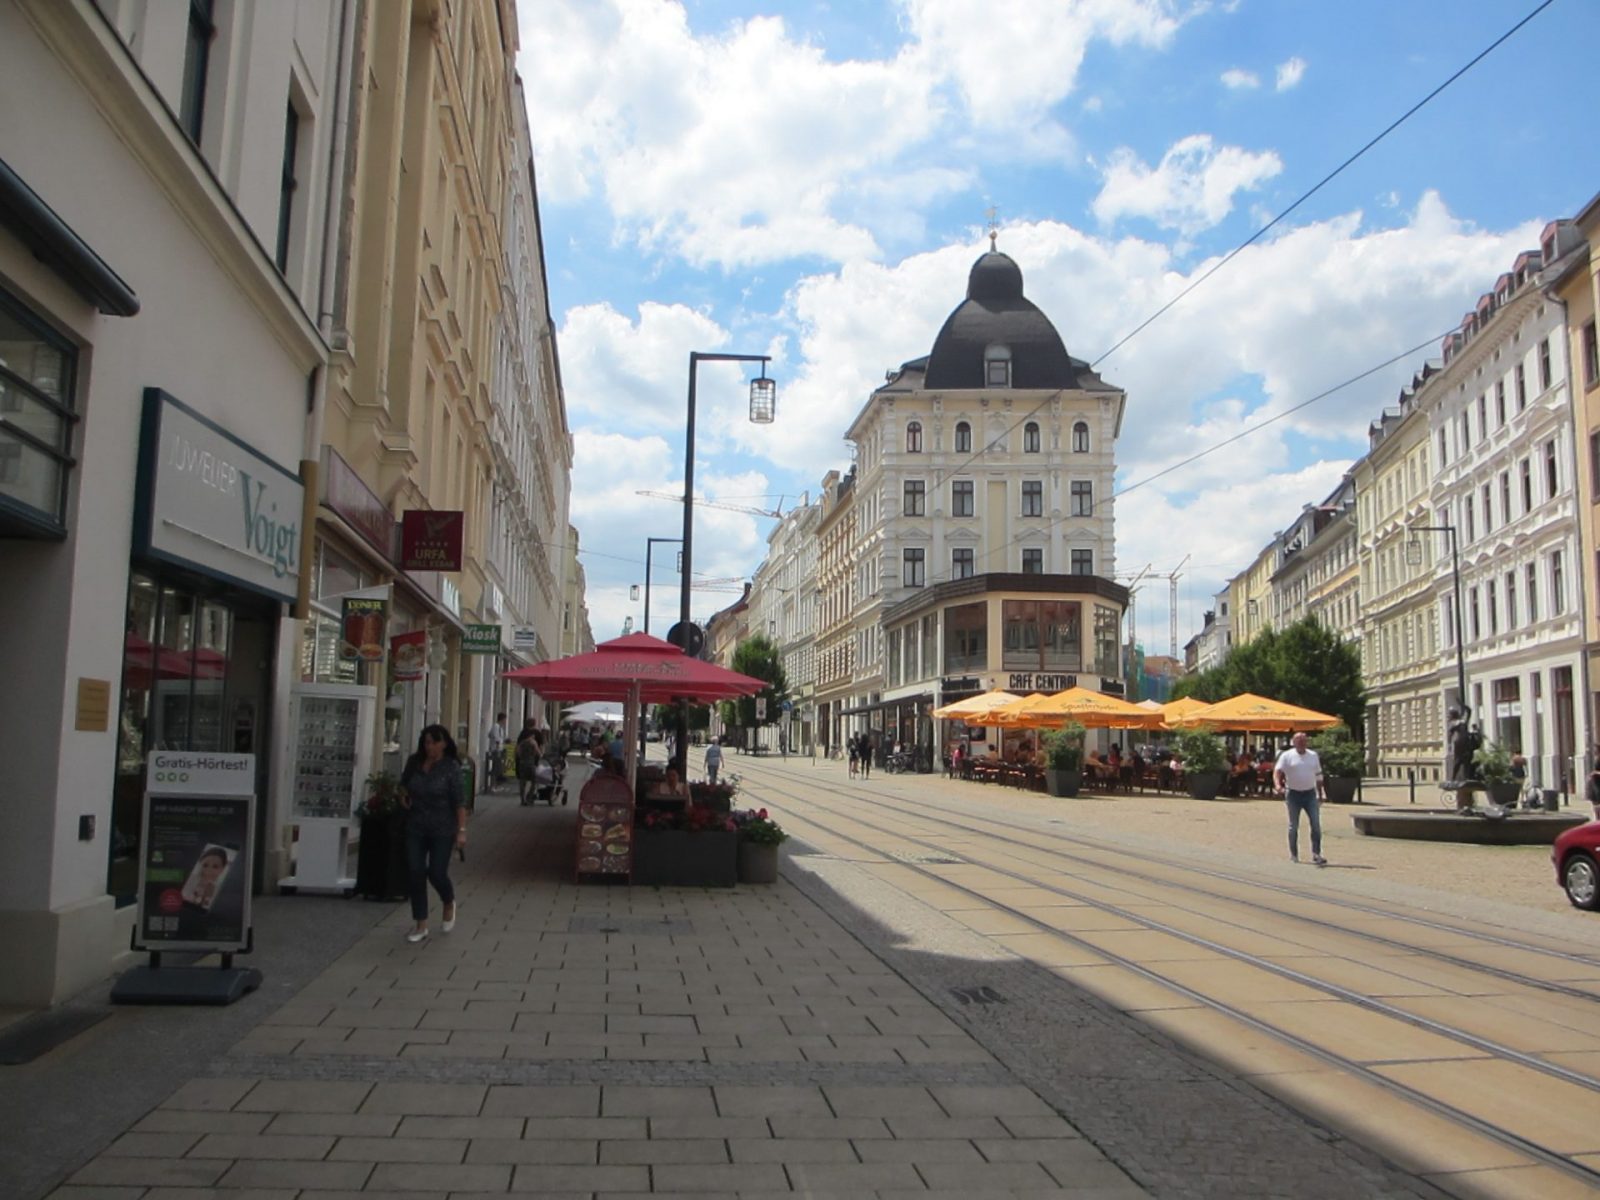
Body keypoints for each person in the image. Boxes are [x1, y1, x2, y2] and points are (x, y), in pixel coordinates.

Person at [399, 724, 467, 943]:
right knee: (416, 871)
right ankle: (421, 923)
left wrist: (461, 831)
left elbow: (459, 802)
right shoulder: (414, 762)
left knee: (436, 872)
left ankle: (448, 900)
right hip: (416, 825)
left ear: (444, 743)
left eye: (434, 742)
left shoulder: (451, 767)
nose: (430, 747)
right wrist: (403, 796)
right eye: (427, 742)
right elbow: (403, 786)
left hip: (442, 828)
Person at [1274, 731, 1326, 866]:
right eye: (1299, 741)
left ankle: (1316, 853)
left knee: (1315, 824)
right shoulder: (1287, 756)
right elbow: (1277, 771)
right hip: (1293, 794)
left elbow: (1319, 775)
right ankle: (1294, 854)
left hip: (1310, 793)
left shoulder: (1313, 756)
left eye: (1304, 741)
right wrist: (1278, 785)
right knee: (1293, 825)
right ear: (1294, 743)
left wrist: (1321, 794)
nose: (1302, 743)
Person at [515, 719, 543, 805]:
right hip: (532, 763)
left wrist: (519, 758)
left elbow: (517, 751)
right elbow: (539, 751)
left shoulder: (522, 735)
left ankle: (522, 800)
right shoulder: (535, 738)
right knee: (535, 780)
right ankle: (529, 797)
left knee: (522, 781)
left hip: (522, 762)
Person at [484, 711, 507, 792]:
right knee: (496, 769)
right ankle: (493, 786)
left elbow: (490, 735)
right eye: (505, 720)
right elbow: (496, 738)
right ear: (502, 719)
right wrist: (497, 749)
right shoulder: (496, 727)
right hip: (496, 750)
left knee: (498, 768)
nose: (505, 722)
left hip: (498, 749)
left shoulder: (499, 727)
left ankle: (495, 785)